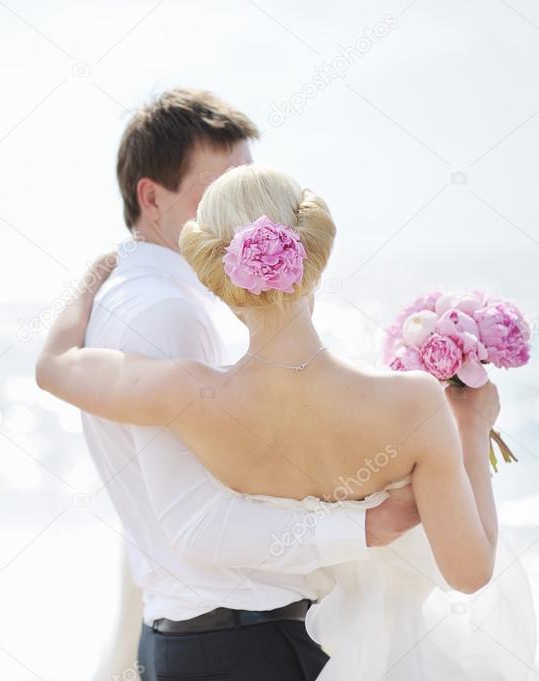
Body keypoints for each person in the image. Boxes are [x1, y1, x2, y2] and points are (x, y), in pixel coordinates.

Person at [38, 164, 535, 680]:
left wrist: (91, 284)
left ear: (215, 276)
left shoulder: (186, 393)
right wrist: (472, 429)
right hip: (339, 651)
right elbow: (470, 571)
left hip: (218, 648)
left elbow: (53, 369)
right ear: (316, 258)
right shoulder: (413, 403)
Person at [75, 90, 420, 681]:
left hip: (204, 635)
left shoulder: (145, 299)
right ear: (151, 198)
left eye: (251, 186)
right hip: (236, 641)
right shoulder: (168, 316)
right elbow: (196, 525)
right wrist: (365, 524)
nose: (244, 215)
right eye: (218, 192)